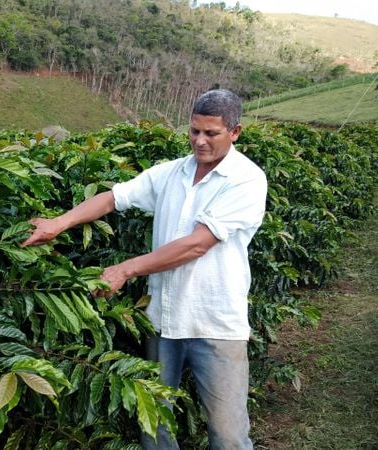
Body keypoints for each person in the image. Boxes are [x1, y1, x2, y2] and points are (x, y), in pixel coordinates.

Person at [21, 89, 267, 449]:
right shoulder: (172, 173)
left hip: (215, 323)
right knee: (154, 423)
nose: (199, 141)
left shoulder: (246, 179)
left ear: (235, 132)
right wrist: (58, 223)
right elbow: (113, 198)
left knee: (228, 433)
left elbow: (197, 244)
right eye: (194, 131)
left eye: (211, 133)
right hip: (163, 319)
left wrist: (124, 270)